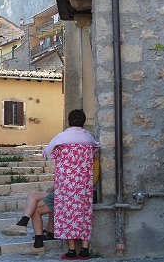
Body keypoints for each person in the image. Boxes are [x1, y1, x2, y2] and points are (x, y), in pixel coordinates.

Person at [43, 109, 100, 260]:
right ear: (83, 121)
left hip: (66, 183)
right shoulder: (89, 137)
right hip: (83, 183)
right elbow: (96, 147)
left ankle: (71, 250)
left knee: (66, 213)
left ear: (69, 121)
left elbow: (47, 153)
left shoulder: (62, 137)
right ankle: (85, 250)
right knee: (84, 212)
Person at [0, 187, 55, 253]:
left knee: (34, 204)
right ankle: (24, 224)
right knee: (32, 197)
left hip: (64, 193)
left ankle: (23, 223)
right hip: (62, 191)